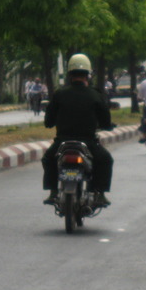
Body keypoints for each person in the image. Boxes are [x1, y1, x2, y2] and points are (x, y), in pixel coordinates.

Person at [41, 54, 114, 207]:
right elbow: (106, 121)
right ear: (88, 74)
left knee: (48, 158)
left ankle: (53, 192)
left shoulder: (60, 94)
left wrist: (51, 122)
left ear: (69, 74)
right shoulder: (95, 95)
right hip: (87, 142)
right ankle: (99, 193)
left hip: (63, 142)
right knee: (106, 160)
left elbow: (48, 121)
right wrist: (107, 125)